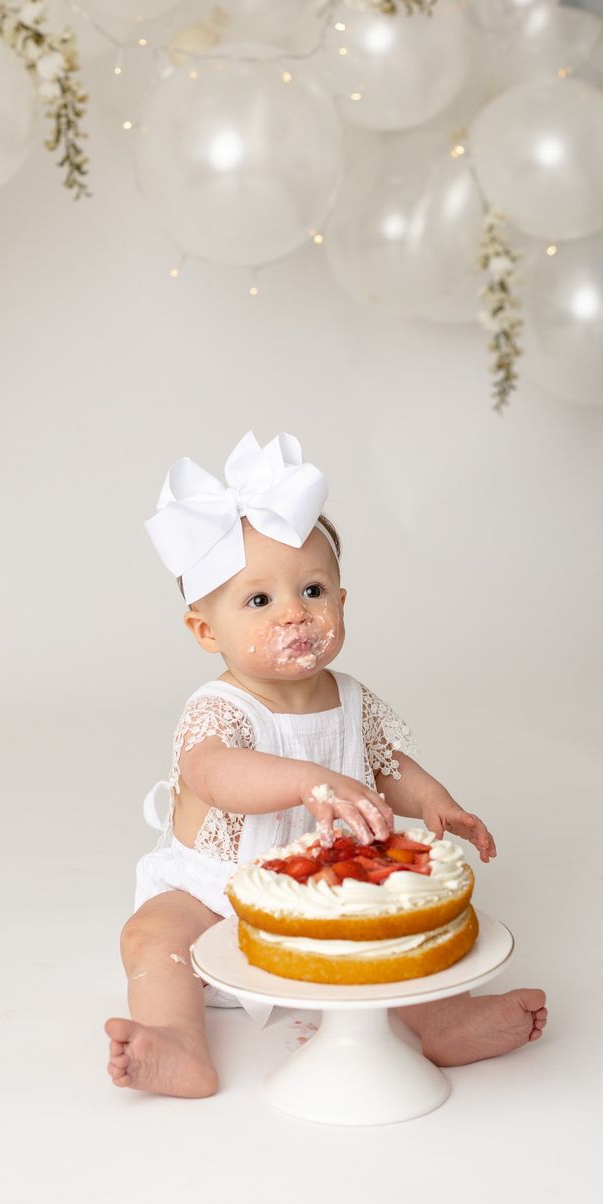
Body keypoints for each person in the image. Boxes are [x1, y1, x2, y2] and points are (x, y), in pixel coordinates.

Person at [106, 430, 547, 1098]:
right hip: (213, 890)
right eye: (259, 601)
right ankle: (177, 1041)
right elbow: (214, 774)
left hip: (327, 882)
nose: (294, 614)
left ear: (343, 603)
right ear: (206, 632)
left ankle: (446, 1020)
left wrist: (435, 803)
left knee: (394, 937)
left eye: (313, 590)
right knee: (151, 935)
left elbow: (387, 762)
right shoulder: (219, 709)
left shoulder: (349, 697)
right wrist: (309, 782)